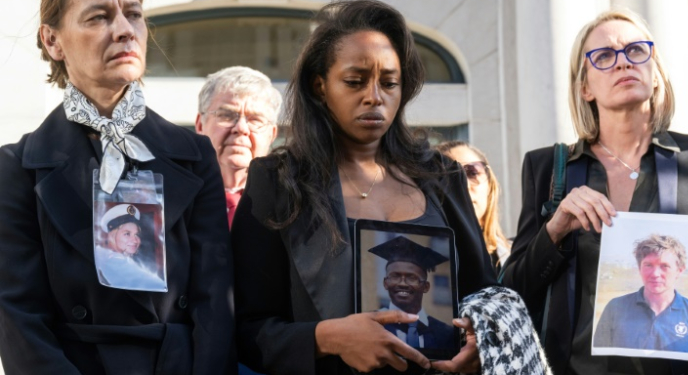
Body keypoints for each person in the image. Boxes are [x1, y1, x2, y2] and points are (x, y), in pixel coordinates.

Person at [232, 1, 499, 374]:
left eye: (389, 82)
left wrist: (479, 340)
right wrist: (327, 338)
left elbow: (484, 294)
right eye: (355, 81)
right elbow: (245, 329)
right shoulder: (278, 182)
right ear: (320, 85)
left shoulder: (443, 178)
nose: (375, 96)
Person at [501, 8, 688, 375]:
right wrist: (554, 230)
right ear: (585, 86)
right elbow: (513, 289)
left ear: (655, 72)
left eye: (636, 51)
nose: (622, 63)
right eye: (603, 56)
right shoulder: (548, 168)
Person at [0, 0, 235, 373]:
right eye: (99, 17)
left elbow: (216, 301)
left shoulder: (194, 153)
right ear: (52, 41)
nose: (126, 29)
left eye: (135, 14)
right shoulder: (17, 167)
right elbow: (18, 317)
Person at [195, 66, 282, 227]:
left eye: (255, 119)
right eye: (227, 115)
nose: (241, 128)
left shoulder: (292, 203)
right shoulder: (172, 195)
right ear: (200, 125)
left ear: (272, 134)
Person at [593, 234, 688, 352]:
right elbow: (599, 363)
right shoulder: (615, 307)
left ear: (679, 270)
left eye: (664, 266)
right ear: (639, 268)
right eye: (648, 265)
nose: (655, 274)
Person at [369, 236, 455, 350]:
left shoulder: (445, 334)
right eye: (395, 276)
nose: (402, 283)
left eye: (411, 277)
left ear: (426, 286)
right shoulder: (370, 324)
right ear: (386, 283)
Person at [437, 141, 512, 271]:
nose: (464, 185)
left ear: (490, 185)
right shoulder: (426, 259)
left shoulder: (518, 257)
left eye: (473, 173)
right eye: (451, 176)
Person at [94, 204, 166, 291]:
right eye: (127, 234)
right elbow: (156, 285)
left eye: (136, 234)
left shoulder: (125, 260)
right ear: (112, 236)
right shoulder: (114, 263)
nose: (135, 240)